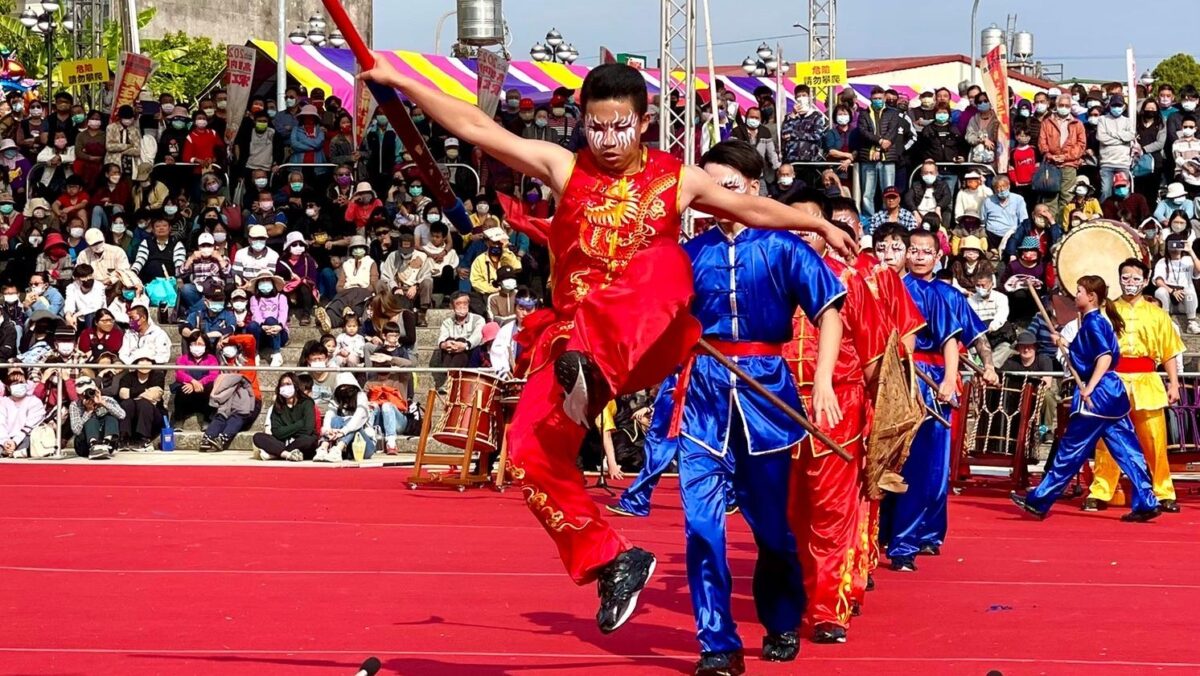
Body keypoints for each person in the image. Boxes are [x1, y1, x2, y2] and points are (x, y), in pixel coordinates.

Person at [359, 59, 854, 636]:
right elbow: (477, 127)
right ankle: (612, 560)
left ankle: (593, 367)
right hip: (570, 342)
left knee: (666, 262)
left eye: (620, 127)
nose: (608, 140)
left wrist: (817, 225)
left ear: (642, 123)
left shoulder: (678, 179)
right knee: (528, 452)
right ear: (583, 123)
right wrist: (402, 82)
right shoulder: (564, 167)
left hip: (643, 339)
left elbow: (752, 208)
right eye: (596, 127)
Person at [660, 141, 845, 670]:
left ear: (754, 189)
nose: (717, 197)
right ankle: (717, 643)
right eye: (708, 187)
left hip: (766, 393)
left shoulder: (784, 247)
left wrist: (824, 380)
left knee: (771, 529)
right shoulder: (689, 253)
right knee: (701, 526)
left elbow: (830, 310)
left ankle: (782, 618)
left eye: (729, 186)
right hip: (701, 395)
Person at [782, 191, 887, 644]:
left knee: (832, 512)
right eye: (791, 222)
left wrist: (881, 423)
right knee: (788, 514)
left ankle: (829, 608)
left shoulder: (849, 280)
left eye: (810, 223)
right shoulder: (767, 276)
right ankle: (798, 595)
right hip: (777, 408)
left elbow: (874, 357)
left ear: (825, 230)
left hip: (839, 407)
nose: (801, 231)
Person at [1011, 276, 1160, 522]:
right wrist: (1065, 344)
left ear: (1091, 297)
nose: (1076, 295)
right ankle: (1147, 500)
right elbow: (1092, 354)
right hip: (1112, 394)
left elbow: (1104, 357)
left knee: (1070, 450)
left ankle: (1038, 500)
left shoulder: (1093, 323)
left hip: (1097, 396)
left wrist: (1089, 387)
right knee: (1127, 448)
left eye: (1079, 291)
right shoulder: (1097, 321)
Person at [880, 228, 981, 572]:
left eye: (927, 252)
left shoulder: (944, 294)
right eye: (914, 250)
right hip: (899, 377)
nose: (919, 257)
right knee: (895, 462)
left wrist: (952, 379)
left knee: (931, 466)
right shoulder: (893, 288)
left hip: (932, 381)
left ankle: (919, 537)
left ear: (938, 257)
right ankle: (893, 537)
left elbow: (954, 340)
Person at [1085, 259, 1185, 513]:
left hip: (1147, 380)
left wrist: (1174, 383)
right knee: (1108, 440)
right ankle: (1101, 491)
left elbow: (1169, 352)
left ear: (1146, 280)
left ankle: (1163, 492)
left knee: (1154, 439)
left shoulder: (1158, 315)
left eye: (1135, 278)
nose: (1130, 282)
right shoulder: (1105, 312)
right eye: (1125, 277)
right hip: (1113, 380)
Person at [1038, 94, 1087, 217]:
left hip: (1069, 164)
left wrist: (1066, 157)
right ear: (1056, 105)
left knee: (1067, 197)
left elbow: (1081, 144)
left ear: (1070, 107)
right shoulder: (1047, 122)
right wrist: (1049, 155)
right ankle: (1051, 223)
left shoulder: (1077, 123)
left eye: (1067, 105)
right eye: (1061, 105)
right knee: (1050, 196)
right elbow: (1042, 142)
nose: (1064, 107)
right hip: (1051, 164)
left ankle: (1063, 223)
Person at [856, 87, 902, 217]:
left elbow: (892, 132)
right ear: (870, 99)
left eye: (880, 98)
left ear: (884, 99)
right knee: (867, 193)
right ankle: (869, 218)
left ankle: (887, 217)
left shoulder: (892, 113)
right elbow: (864, 132)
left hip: (887, 157)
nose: (877, 101)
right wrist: (880, 141)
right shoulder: (864, 114)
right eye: (875, 99)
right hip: (868, 157)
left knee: (888, 191)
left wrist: (879, 148)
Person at [254, 373, 320, 462]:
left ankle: (278, 453)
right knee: (258, 437)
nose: (285, 387)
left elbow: (308, 429)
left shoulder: (307, 403)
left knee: (308, 440)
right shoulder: (278, 406)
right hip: (283, 442)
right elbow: (277, 432)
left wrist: (286, 431)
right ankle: (287, 454)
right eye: (282, 385)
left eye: (288, 384)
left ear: (296, 385)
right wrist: (300, 424)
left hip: (301, 442)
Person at [431, 292, 484, 388]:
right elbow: (442, 339)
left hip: (470, 353)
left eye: (465, 303)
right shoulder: (447, 322)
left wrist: (464, 345)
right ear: (452, 306)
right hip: (450, 353)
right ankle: (451, 379)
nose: (462, 306)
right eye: (458, 303)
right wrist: (446, 344)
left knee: (462, 341)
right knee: (450, 340)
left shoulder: (478, 319)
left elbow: (477, 336)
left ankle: (449, 380)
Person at [316, 372, 372, 462]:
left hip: (363, 446)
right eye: (341, 387)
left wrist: (343, 431)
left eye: (347, 387)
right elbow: (329, 414)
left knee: (351, 421)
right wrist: (327, 430)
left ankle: (338, 449)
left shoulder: (361, 397)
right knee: (335, 419)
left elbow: (358, 418)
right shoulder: (336, 399)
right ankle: (323, 448)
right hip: (345, 446)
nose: (344, 390)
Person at [117, 349, 166, 452]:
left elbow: (154, 395)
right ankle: (124, 438)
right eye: (141, 360)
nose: (145, 363)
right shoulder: (128, 377)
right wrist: (144, 391)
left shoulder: (157, 376)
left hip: (153, 418)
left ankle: (143, 439)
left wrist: (132, 393)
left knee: (144, 404)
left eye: (148, 360)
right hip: (133, 418)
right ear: (136, 363)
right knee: (127, 403)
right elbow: (123, 394)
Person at [69, 375, 125, 459]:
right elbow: (76, 431)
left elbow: (122, 415)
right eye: (82, 394)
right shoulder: (75, 405)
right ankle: (94, 445)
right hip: (85, 445)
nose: (87, 396)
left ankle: (106, 443)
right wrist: (88, 412)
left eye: (90, 392)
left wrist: (103, 403)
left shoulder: (106, 400)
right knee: (91, 420)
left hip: (106, 443)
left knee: (111, 418)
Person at [1153, 235, 1200, 333]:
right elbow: (1158, 281)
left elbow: (1199, 270)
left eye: (1178, 244)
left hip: (1185, 302)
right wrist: (1172, 291)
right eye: (1172, 244)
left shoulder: (1188, 260)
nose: (1175, 247)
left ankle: (1191, 322)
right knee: (1160, 291)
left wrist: (1190, 251)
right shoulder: (1162, 262)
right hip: (1168, 301)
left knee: (1189, 291)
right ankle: (1165, 320)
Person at [173, 331, 218, 426]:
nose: (197, 346)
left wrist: (200, 383)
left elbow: (213, 375)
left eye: (200, 344)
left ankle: (207, 420)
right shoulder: (183, 358)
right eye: (194, 344)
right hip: (188, 394)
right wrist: (192, 381)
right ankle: (179, 419)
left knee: (211, 386)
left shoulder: (211, 359)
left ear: (206, 345)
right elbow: (179, 374)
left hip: (203, 393)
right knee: (181, 388)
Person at [1095, 95, 1135, 200]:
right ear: (1110, 106)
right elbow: (1101, 137)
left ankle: (1124, 211)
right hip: (1106, 162)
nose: (1117, 108)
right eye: (1114, 105)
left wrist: (1112, 134)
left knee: (1123, 193)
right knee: (1105, 191)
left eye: (1119, 105)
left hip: (1123, 162)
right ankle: (1104, 210)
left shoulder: (1128, 121)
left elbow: (1131, 136)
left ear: (1124, 106)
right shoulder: (1102, 119)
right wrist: (1122, 139)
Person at [0, 368, 45, 458]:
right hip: (5, 439)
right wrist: (5, 441)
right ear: (8, 387)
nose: (19, 385)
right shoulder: (3, 402)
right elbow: (1, 424)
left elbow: (29, 426)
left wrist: (15, 441)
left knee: (29, 443)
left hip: (25, 437)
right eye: (15, 383)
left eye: (22, 383)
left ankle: (12, 452)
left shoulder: (35, 401)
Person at [249, 271, 289, 366]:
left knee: (270, 320)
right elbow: (256, 314)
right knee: (252, 325)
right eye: (262, 281)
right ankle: (255, 353)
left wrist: (280, 326)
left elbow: (283, 313)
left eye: (267, 280)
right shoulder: (254, 299)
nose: (265, 282)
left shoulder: (281, 297)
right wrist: (262, 325)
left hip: (279, 332)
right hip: (262, 333)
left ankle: (277, 353)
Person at [980, 175, 1029, 250]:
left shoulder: (1018, 199)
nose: (1002, 189)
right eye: (998, 187)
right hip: (992, 235)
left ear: (1009, 186)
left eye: (1004, 186)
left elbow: (1023, 219)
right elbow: (983, 220)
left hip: (1011, 235)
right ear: (994, 189)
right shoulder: (988, 201)